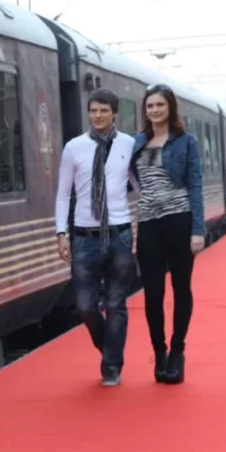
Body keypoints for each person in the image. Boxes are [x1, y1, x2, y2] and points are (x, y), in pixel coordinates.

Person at [55, 88, 137, 386]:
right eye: (93, 111)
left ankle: (111, 366)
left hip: (119, 234)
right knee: (86, 307)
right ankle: (110, 349)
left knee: (116, 303)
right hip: (84, 237)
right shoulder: (74, 148)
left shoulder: (130, 144)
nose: (98, 116)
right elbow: (64, 194)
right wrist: (61, 232)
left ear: (114, 113)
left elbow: (141, 187)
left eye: (103, 110)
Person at [130, 84, 205, 384]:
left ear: (170, 108)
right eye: (150, 106)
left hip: (179, 220)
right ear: (145, 110)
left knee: (181, 288)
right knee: (153, 294)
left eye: (160, 105)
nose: (155, 110)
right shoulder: (137, 142)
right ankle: (159, 353)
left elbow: (195, 185)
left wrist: (197, 230)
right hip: (148, 224)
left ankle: (177, 352)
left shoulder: (186, 142)